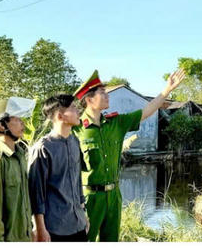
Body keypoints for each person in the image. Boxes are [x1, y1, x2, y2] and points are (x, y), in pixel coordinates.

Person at [73, 66, 185, 242]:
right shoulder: (76, 128)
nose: (107, 95)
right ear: (89, 99)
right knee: (84, 240)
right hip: (89, 198)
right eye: (102, 92)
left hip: (114, 196)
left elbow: (146, 111)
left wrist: (167, 90)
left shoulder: (116, 123)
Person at [28, 95, 88, 242]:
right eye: (73, 108)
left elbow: (77, 181)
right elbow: (36, 193)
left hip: (78, 224)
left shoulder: (75, 141)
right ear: (61, 116)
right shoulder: (42, 148)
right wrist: (40, 228)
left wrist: (83, 213)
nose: (78, 111)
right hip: (54, 228)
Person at [0, 96, 36, 242]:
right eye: (16, 119)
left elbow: (22, 204)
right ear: (2, 126)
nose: (22, 123)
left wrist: (30, 231)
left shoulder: (19, 156)